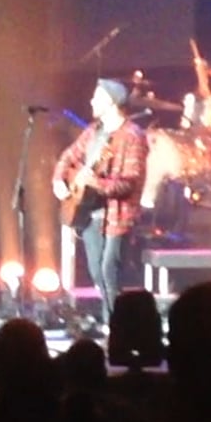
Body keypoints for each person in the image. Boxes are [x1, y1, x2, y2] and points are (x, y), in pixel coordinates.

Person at [53, 78, 149, 321]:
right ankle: (115, 321)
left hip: (118, 216)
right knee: (97, 271)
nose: (91, 101)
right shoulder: (93, 131)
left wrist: (95, 182)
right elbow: (67, 156)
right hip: (89, 213)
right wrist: (59, 180)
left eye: (97, 97)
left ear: (111, 102)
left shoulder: (132, 136)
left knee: (109, 270)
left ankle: (115, 325)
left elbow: (129, 183)